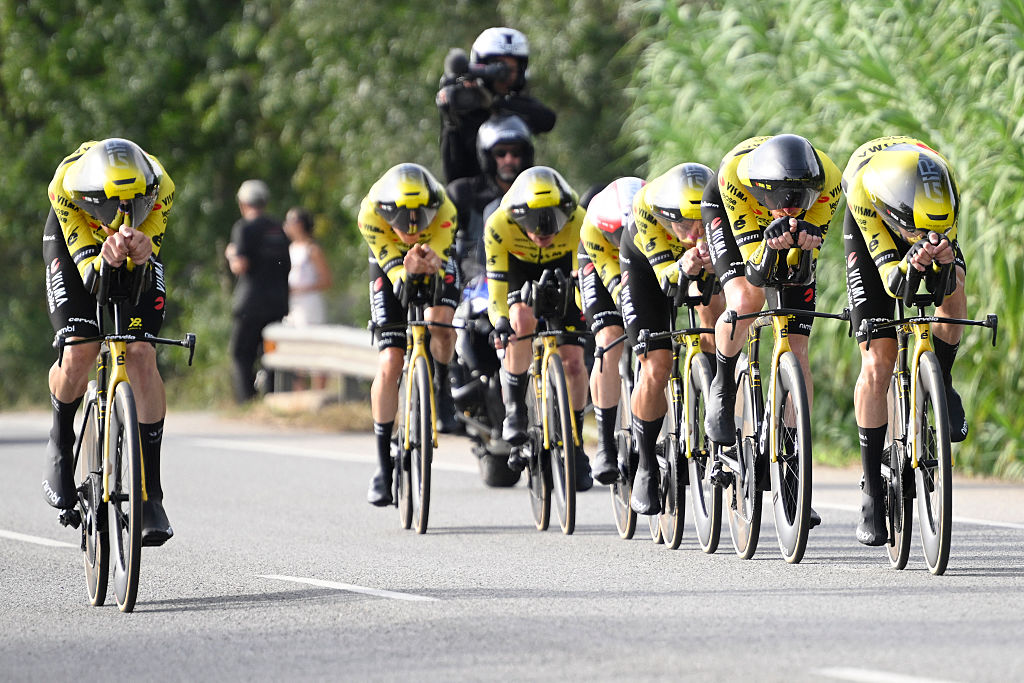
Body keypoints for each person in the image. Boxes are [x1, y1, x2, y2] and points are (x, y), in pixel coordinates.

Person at [701, 134, 843, 526]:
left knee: (797, 347)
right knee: (747, 300)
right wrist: (769, 248)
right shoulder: (736, 176)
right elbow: (756, 272)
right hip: (734, 215)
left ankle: (796, 467)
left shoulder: (827, 180)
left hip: (784, 226)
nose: (794, 207)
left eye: (801, 200)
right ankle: (724, 384)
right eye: (787, 200)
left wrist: (802, 239)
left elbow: (804, 258)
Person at [43, 137, 176, 545]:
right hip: (74, 245)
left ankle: (150, 491)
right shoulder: (65, 186)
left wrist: (142, 243)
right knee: (80, 350)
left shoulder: (161, 184)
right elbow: (90, 273)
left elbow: (148, 240)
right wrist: (100, 258)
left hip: (134, 247)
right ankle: (61, 441)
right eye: (113, 206)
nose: (121, 214)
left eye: (132, 203)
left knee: (140, 352)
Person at [841, 136, 967, 545]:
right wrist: (909, 261)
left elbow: (947, 280)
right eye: (915, 230)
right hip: (872, 236)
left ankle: (941, 380)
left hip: (917, 206)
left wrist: (942, 258)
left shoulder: (943, 188)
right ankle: (871, 492)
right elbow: (893, 284)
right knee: (879, 358)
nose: (923, 236)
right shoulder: (865, 193)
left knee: (956, 283)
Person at [617, 163, 724, 513]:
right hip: (646, 266)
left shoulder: (718, 208)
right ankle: (646, 464)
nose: (694, 233)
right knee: (657, 364)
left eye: (700, 224)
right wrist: (685, 264)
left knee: (718, 311)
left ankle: (713, 391)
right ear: (665, 218)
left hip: (696, 265)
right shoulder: (646, 209)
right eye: (683, 225)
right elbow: (666, 277)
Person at [484, 166, 593, 491]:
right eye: (534, 225)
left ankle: (574, 439)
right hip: (518, 269)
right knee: (519, 321)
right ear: (518, 218)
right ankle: (515, 409)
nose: (544, 232)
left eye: (553, 223)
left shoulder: (577, 220)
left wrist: (585, 315)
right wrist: (499, 321)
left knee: (573, 359)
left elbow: (582, 285)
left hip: (564, 269)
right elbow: (496, 292)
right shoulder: (500, 224)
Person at [359, 163, 459, 506]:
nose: (412, 229)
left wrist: (431, 264)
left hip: (436, 258)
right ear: (388, 214)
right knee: (389, 361)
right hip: (389, 262)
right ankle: (383, 465)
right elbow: (394, 272)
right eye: (403, 222)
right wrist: (404, 271)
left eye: (421, 219)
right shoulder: (370, 213)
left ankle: (442, 387)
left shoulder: (445, 210)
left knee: (441, 325)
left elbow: (442, 259)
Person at [577, 176, 646, 485]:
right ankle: (605, 446)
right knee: (609, 339)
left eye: (631, 232)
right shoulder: (593, 228)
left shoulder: (655, 213)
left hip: (645, 260)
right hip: (601, 268)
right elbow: (618, 289)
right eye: (618, 234)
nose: (625, 238)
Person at [436, 27, 555, 184]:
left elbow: (547, 120)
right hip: (471, 195)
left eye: (512, 69)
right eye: (498, 68)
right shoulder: (464, 100)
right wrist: (451, 118)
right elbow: (453, 173)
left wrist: (495, 103)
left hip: (515, 192)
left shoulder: (518, 105)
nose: (506, 76)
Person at [447, 113, 535, 287]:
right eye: (500, 153)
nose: (508, 159)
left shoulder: (538, 193)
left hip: (527, 286)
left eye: (515, 153)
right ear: (487, 156)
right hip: (472, 289)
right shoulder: (462, 193)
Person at [224, 180, 291, 403]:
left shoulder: (244, 227)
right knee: (270, 353)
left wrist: (232, 254)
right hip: (278, 301)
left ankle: (247, 400)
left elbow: (240, 265)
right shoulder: (278, 228)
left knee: (241, 353)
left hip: (251, 303)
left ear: (243, 204)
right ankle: (271, 397)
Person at [282, 207, 332, 390]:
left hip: (309, 304)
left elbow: (326, 280)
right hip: (293, 305)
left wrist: (300, 289)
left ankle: (319, 390)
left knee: (313, 346)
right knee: (297, 350)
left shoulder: (312, 249)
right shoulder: (290, 249)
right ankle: (299, 392)